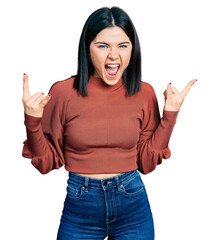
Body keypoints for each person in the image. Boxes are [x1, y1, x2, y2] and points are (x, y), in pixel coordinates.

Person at [22, 6, 196, 240]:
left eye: (122, 45)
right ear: (87, 48)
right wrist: (32, 121)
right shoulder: (62, 93)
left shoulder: (144, 93)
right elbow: (46, 163)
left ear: (132, 50)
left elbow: (146, 163)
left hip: (133, 207)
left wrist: (170, 115)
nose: (114, 55)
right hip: (80, 211)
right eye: (103, 45)